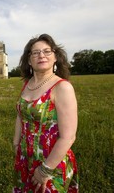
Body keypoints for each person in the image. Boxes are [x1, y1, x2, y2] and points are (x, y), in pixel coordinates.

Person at [13, 34, 79, 193]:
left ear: (55, 56)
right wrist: (16, 144)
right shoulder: (28, 84)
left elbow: (68, 137)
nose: (41, 55)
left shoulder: (62, 87)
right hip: (25, 157)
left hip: (51, 161)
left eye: (46, 51)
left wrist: (45, 170)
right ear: (29, 60)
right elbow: (20, 115)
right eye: (35, 52)